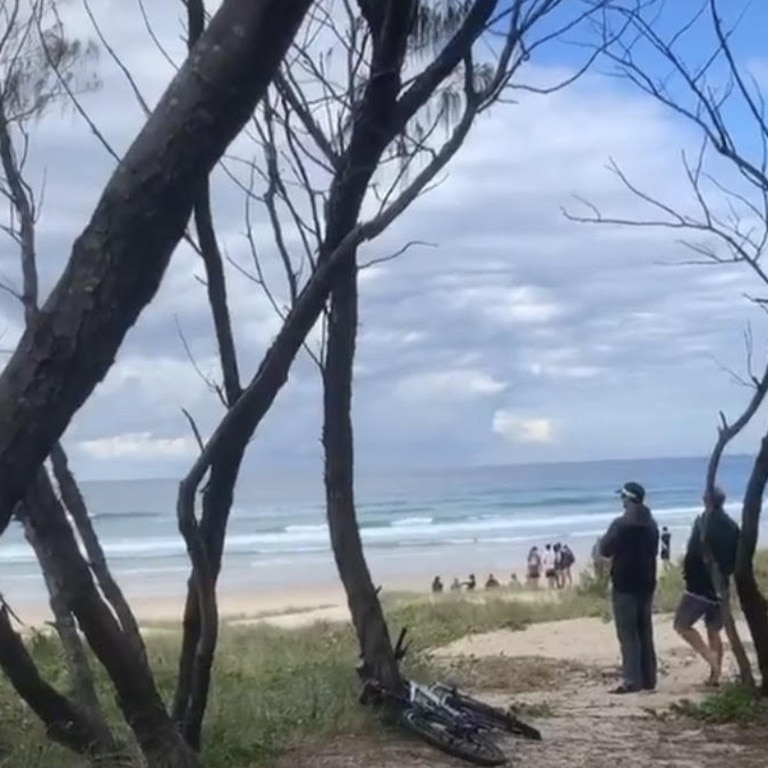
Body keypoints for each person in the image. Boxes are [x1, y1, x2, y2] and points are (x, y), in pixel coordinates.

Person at [673, 487, 739, 687]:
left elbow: (695, 551)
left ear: (707, 500)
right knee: (713, 630)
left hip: (700, 585)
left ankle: (710, 659)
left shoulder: (704, 522)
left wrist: (689, 573)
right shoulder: (731, 525)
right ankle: (714, 677)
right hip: (721, 585)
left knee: (681, 624)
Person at [599, 481, 659, 694]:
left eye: (622, 497)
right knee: (645, 630)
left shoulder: (620, 524)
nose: (621, 501)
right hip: (647, 582)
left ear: (628, 499)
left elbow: (605, 550)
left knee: (628, 633)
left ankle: (632, 679)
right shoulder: (652, 524)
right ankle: (649, 678)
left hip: (624, 584)